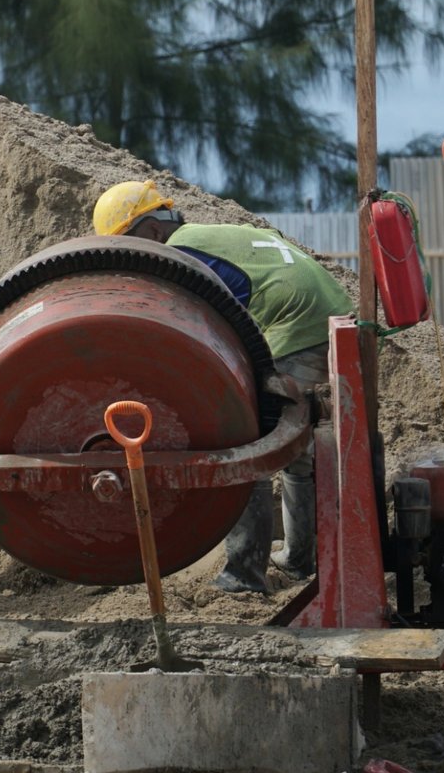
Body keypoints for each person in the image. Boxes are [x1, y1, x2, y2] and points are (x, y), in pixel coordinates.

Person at [92, 180, 353, 594]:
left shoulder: (181, 255)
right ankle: (299, 558)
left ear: (153, 231)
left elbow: (200, 337)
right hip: (330, 318)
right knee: (297, 448)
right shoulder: (209, 237)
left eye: (132, 246)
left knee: (245, 442)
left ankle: (243, 575)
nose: (137, 261)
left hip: (296, 328)